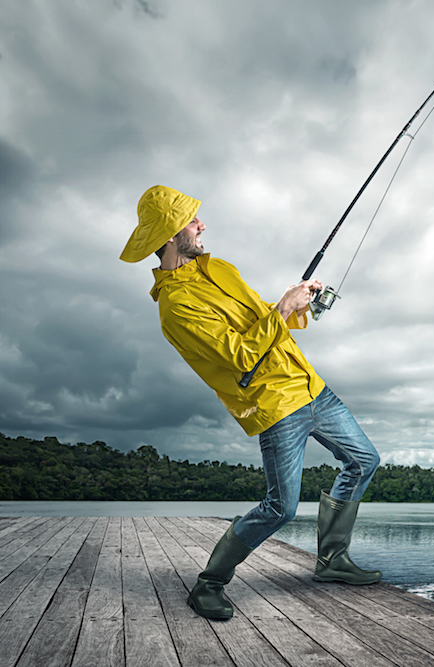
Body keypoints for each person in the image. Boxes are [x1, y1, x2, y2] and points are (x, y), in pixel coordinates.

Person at [120, 185, 382, 620]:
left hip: (311, 386)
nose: (201, 224)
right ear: (169, 235)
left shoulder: (218, 267)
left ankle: (332, 560)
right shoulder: (176, 307)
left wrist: (300, 305)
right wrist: (281, 311)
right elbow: (239, 355)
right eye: (191, 220)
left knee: (364, 460)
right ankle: (209, 585)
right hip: (275, 407)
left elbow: (260, 314)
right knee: (281, 507)